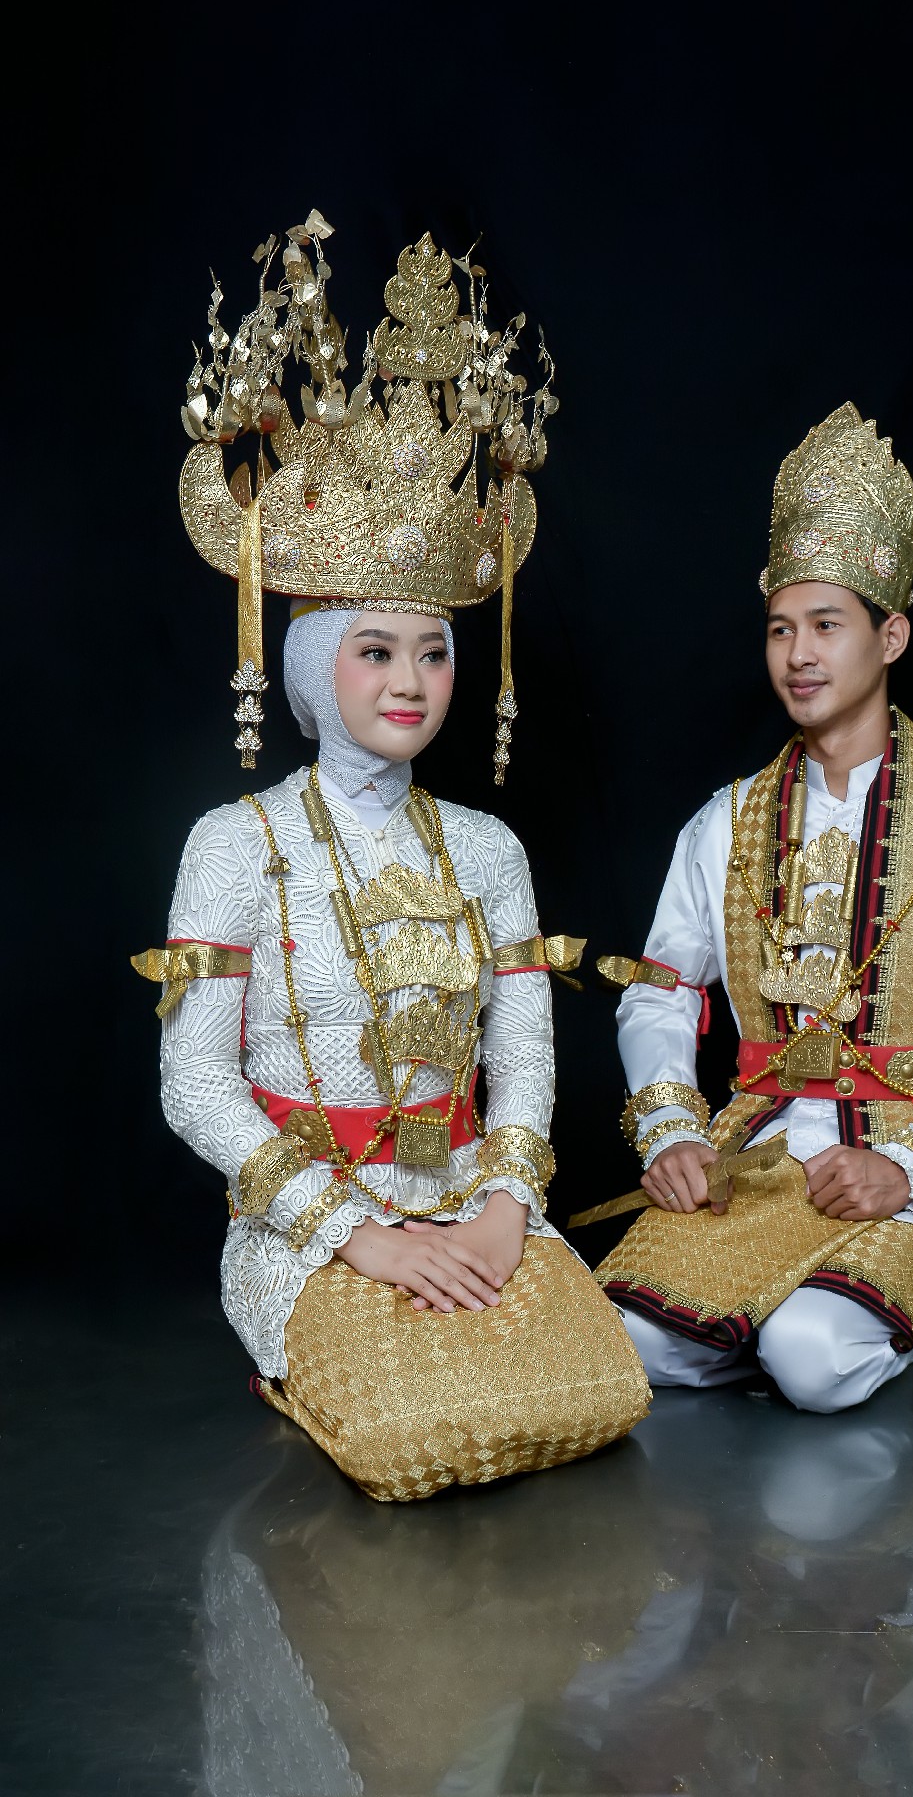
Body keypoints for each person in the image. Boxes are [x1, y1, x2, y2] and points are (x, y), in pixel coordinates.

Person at [133, 218, 648, 1500]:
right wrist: (358, 1235)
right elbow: (194, 1086)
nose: (412, 680)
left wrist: (503, 1209)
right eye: (377, 651)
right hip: (309, 1226)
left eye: (433, 651)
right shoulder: (234, 845)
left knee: (599, 1393)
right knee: (423, 1438)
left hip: (468, 1196)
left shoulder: (488, 848)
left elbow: (524, 1059)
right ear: (317, 668)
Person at [590, 401, 913, 1412]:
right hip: (758, 1155)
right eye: (781, 629)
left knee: (812, 1361)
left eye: (827, 625)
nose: (799, 655)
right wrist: (671, 1134)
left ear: (890, 634)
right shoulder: (724, 823)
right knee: (623, 1347)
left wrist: (912, 1165)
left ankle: (876, 1299)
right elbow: (658, 993)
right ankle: (773, 1307)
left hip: (910, 1163)